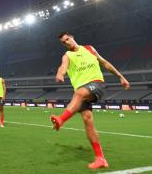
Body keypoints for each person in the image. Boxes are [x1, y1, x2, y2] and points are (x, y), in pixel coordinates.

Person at [50, 32, 130, 170]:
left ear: (73, 37)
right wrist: (60, 74)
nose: (66, 42)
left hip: (96, 85)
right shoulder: (67, 56)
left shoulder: (89, 49)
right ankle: (100, 158)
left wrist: (121, 77)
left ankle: (61, 119)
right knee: (88, 121)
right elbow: (63, 67)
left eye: (67, 39)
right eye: (63, 42)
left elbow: (104, 63)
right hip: (82, 90)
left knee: (79, 93)